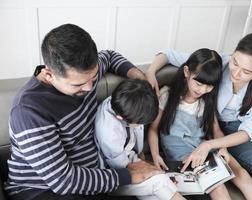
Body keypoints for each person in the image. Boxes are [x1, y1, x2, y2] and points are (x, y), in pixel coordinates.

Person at [5, 24, 163, 200]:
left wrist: (141, 78)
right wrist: (128, 175)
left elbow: (109, 56)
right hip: (41, 190)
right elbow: (63, 181)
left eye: (94, 78)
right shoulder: (29, 111)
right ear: (49, 74)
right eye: (78, 85)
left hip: (90, 180)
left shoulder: (84, 74)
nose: (89, 87)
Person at [146, 31, 252, 200]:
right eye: (235, 62)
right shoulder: (216, 64)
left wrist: (213, 145)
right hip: (226, 133)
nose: (236, 73)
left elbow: (251, 128)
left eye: (246, 72)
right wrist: (150, 72)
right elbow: (170, 55)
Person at [94, 79, 186, 200]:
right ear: (120, 117)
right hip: (116, 174)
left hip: (131, 158)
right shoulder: (109, 132)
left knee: (160, 189)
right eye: (139, 123)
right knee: (160, 182)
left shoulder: (128, 101)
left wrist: (148, 165)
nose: (141, 126)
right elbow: (124, 169)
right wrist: (151, 171)